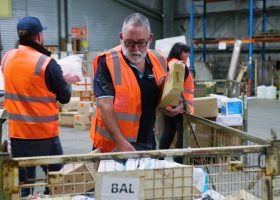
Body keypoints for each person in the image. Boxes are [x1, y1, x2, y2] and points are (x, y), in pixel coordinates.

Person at [1, 16, 79, 197]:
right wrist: (65, 79)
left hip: (18, 135)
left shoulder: (7, 58)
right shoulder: (47, 64)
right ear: (39, 37)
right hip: (45, 136)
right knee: (57, 181)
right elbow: (65, 97)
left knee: (23, 185)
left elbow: (21, 85)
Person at [90, 13, 168, 152]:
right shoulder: (108, 62)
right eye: (129, 42)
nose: (135, 48)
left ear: (150, 38)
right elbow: (105, 106)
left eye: (141, 42)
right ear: (121, 37)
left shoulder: (160, 60)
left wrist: (174, 105)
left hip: (147, 142)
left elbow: (165, 93)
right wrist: (120, 141)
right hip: (113, 146)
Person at [159, 42, 194, 163]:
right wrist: (182, 106)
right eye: (185, 52)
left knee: (168, 132)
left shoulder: (168, 63)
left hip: (168, 103)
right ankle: (179, 161)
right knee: (181, 135)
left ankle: (159, 158)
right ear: (178, 51)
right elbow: (177, 87)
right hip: (179, 105)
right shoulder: (179, 66)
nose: (188, 54)